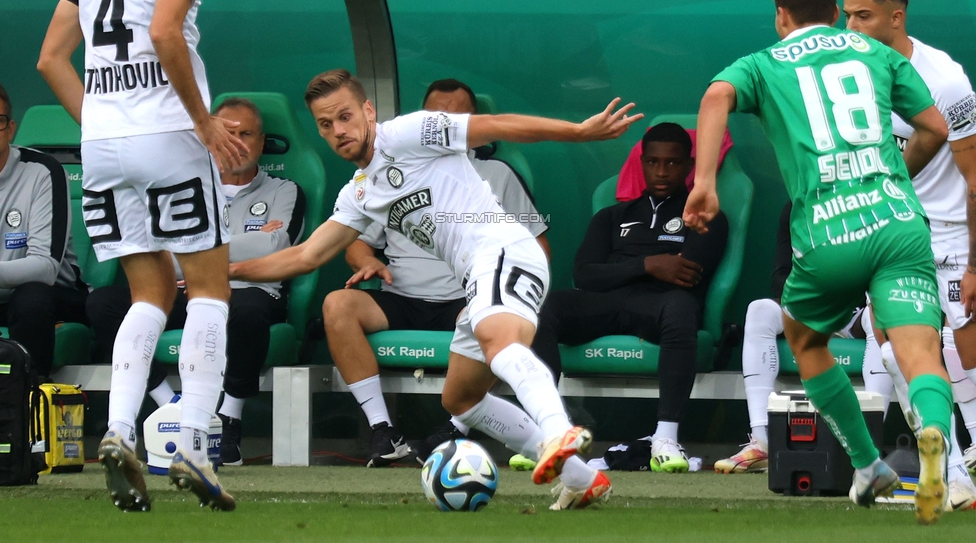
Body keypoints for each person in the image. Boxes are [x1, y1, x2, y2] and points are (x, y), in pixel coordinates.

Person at [233, 69, 642, 510]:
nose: (338, 131)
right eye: (325, 125)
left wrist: (579, 132)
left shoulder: (407, 132)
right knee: (461, 398)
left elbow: (496, 125)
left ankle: (558, 430)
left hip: (504, 250)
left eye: (345, 117)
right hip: (476, 278)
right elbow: (305, 256)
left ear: (368, 110)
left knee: (496, 338)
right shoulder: (359, 193)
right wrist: (226, 270)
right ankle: (583, 478)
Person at [685, 0, 953, 524]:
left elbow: (714, 98)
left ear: (781, 15)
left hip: (829, 232)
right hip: (898, 225)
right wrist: (901, 172)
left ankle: (866, 464)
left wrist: (705, 183)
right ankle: (932, 434)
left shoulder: (762, 63)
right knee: (920, 350)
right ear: (835, 13)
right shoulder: (876, 52)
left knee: (805, 341)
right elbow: (936, 128)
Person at [37, 0, 246, 512]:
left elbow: (51, 57)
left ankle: (120, 431)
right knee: (209, 290)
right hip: (168, 136)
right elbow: (164, 29)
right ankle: (194, 447)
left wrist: (102, 126)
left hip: (102, 146)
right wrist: (204, 122)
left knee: (147, 294)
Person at [326, 78, 549, 467]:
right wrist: (366, 261)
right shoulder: (374, 178)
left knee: (485, 323)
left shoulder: (496, 172)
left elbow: (536, 243)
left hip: (467, 296)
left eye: (455, 114)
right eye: (436, 113)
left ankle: (459, 428)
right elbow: (351, 240)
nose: (443, 121)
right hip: (402, 296)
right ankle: (383, 429)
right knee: (338, 305)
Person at [86, 98, 305, 466]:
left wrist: (193, 253)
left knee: (249, 311)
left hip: (249, 292)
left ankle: (230, 417)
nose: (236, 141)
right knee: (103, 303)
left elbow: (276, 245)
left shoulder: (284, 190)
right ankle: (167, 405)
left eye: (246, 134)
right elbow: (154, 253)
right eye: (227, 132)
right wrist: (233, 248)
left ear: (262, 142)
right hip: (182, 293)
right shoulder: (184, 188)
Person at [843, 0, 976, 510]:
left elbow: (975, 180)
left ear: (896, 17)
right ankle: (954, 473)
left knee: (964, 360)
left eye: (863, 15)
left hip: (951, 236)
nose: (850, 26)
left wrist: (975, 266)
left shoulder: (944, 81)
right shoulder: (847, 72)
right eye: (846, 14)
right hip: (894, 235)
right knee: (900, 355)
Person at [531, 122, 729, 473]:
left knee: (681, 307)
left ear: (688, 166)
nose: (662, 171)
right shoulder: (612, 216)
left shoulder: (705, 217)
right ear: (642, 163)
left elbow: (687, 276)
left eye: (672, 163)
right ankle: (549, 431)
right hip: (609, 306)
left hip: (660, 309)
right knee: (549, 307)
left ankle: (665, 437)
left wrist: (622, 269)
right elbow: (585, 274)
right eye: (653, 162)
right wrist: (651, 264)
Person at [714, 202, 889, 474]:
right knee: (759, 310)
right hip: (809, 307)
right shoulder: (795, 206)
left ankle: (868, 447)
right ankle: (762, 442)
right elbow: (780, 277)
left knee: (881, 316)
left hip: (856, 311)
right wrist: (818, 300)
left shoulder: (866, 202)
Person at [0, 83, 89, 378]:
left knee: (31, 297)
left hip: (53, 297)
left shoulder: (42, 170)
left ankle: (29, 402)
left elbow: (46, 267)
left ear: (11, 128)